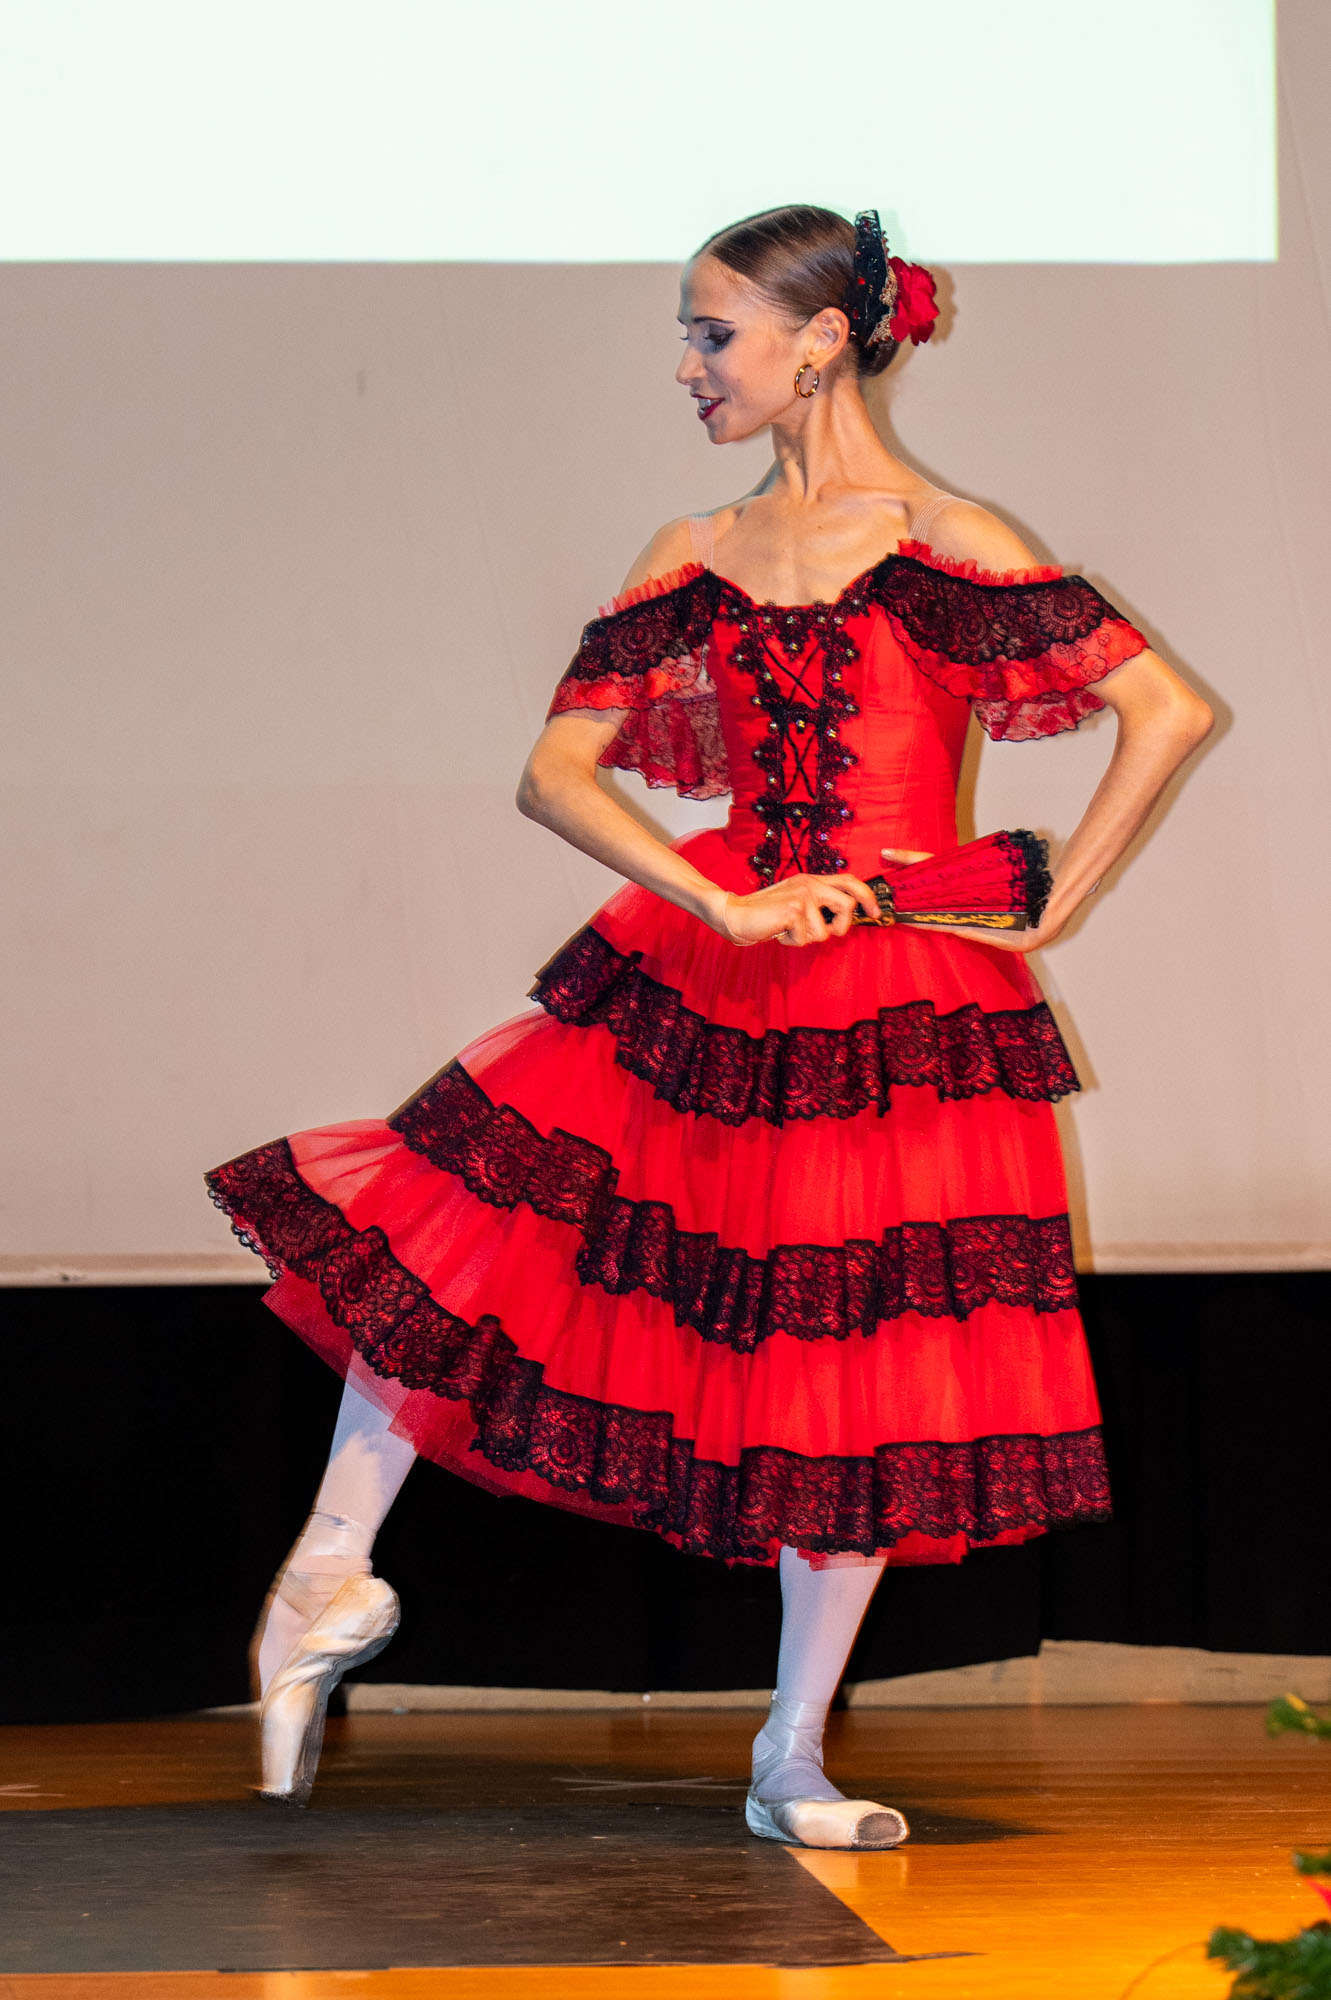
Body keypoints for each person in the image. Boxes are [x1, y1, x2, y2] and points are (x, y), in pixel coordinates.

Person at [205, 204, 1213, 1843]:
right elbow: (554, 773)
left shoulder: (946, 536)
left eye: (711, 331)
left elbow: (1163, 711)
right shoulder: (691, 549)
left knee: (857, 1354)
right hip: (714, 955)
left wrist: (1051, 902)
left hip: (893, 990)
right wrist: (724, 901)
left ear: (820, 340)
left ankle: (790, 1751)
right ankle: (325, 1574)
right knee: (483, 1214)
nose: (687, 363)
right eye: (688, 330)